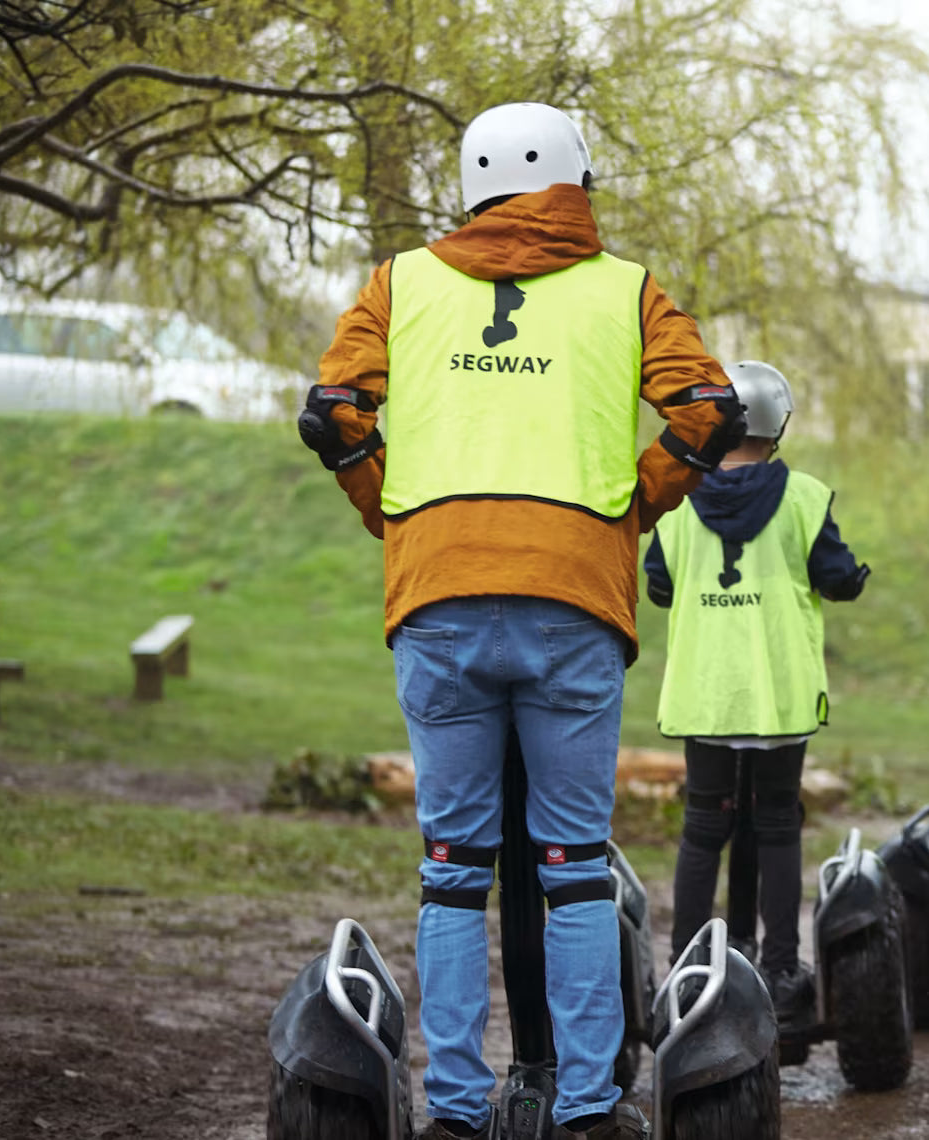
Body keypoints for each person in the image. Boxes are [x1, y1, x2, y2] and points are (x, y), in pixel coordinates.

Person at [300, 102, 744, 1140]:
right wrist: (631, 506)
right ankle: (588, 1108)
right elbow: (706, 410)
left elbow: (334, 414)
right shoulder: (625, 289)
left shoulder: (399, 282)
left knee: (452, 871)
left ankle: (455, 1111)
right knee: (572, 864)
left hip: (439, 599)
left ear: (472, 184)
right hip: (572, 603)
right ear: (576, 181)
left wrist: (391, 513)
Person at [642, 360, 869, 1030]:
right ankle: (778, 965)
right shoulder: (804, 497)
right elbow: (835, 576)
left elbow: (659, 585)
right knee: (775, 825)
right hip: (777, 696)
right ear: (779, 425)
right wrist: (852, 577)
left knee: (703, 827)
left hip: (706, 695)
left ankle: (688, 966)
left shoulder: (681, 499)